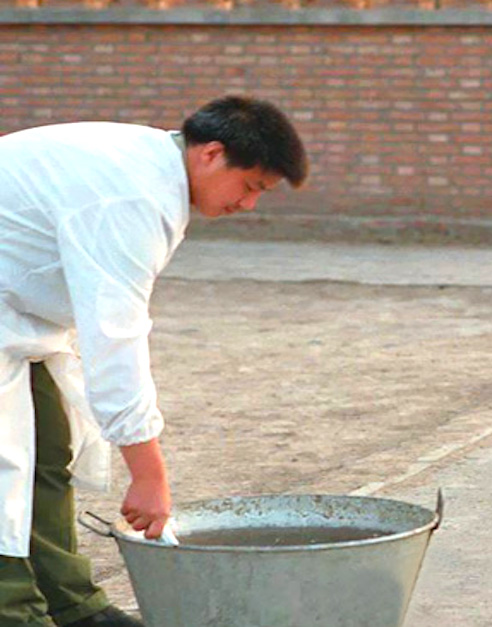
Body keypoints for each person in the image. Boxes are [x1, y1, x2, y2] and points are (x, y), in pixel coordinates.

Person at [0, 96, 307, 627]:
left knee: (46, 449)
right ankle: (14, 611)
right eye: (252, 186)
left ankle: (71, 604)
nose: (248, 205)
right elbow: (114, 339)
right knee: (4, 464)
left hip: (15, 318)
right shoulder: (129, 196)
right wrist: (149, 475)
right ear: (212, 154)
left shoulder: (150, 167)